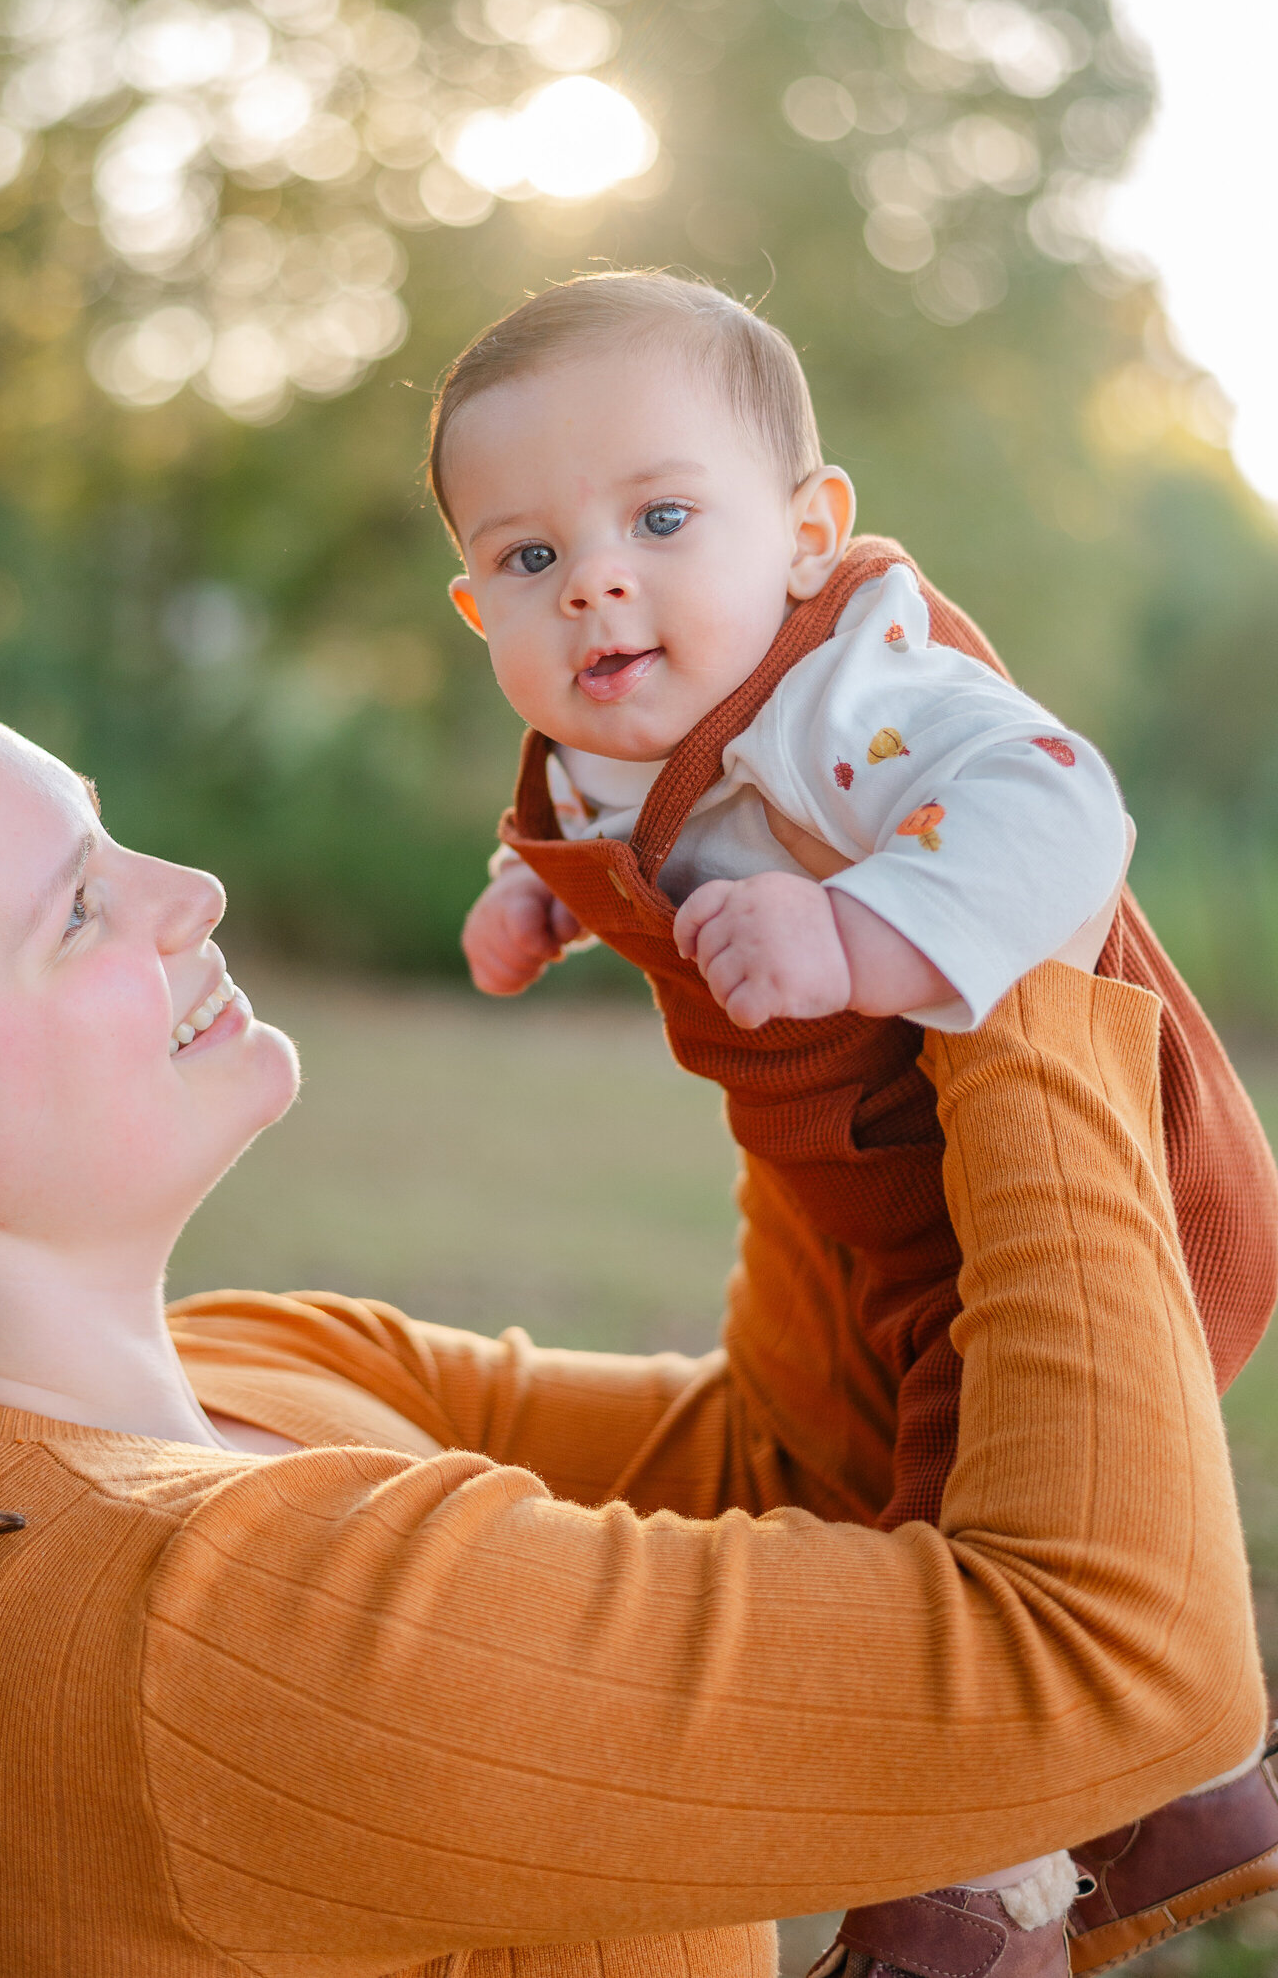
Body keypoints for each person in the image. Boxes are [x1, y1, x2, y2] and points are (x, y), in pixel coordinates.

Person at [0, 643, 1268, 1978]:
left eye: (109, 838)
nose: (192, 889)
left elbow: (809, 1462)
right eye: (78, 910)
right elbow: (1127, 1670)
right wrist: (998, 968)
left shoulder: (228, 1376)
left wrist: (793, 915)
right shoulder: (218, 1625)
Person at [435, 270, 1278, 1965]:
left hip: (1098, 1183)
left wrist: (856, 928)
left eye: (663, 516)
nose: (595, 577)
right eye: (530, 559)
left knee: (969, 1548)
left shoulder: (854, 690)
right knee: (896, 1472)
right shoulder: (611, 727)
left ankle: (969, 1894)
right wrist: (539, 901)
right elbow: (609, 821)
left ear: (810, 531)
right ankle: (1177, 1795)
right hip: (894, 1219)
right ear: (480, 611)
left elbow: (1062, 803)